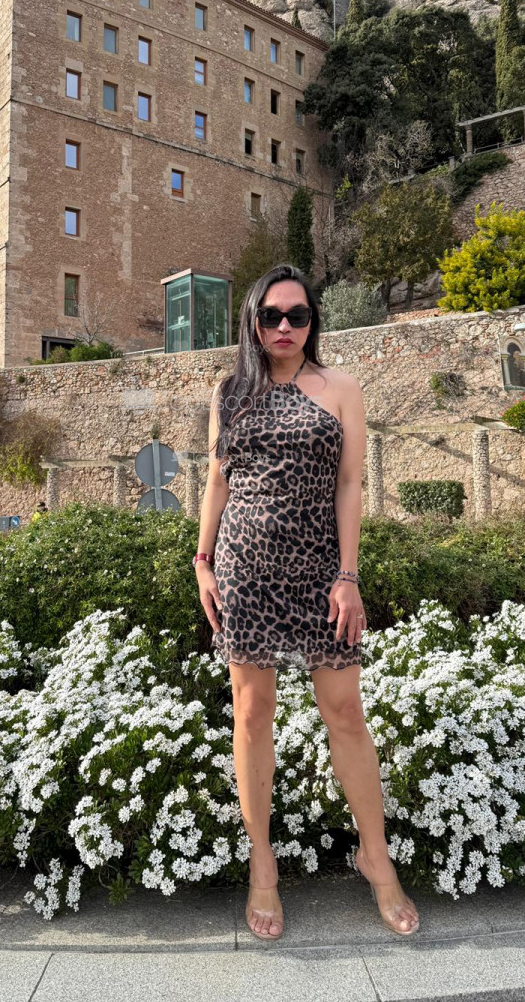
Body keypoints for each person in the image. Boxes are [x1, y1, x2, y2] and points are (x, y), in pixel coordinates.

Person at [195, 264, 420, 943]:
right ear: (253, 321)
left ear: (313, 321)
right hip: (245, 567)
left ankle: (375, 856)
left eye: (297, 315)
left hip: (322, 569)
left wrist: (348, 575)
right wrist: (202, 561)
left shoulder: (342, 388)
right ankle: (262, 863)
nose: (284, 326)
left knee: (345, 711)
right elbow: (216, 479)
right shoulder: (231, 391)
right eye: (271, 315)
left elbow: (350, 484)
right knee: (252, 713)